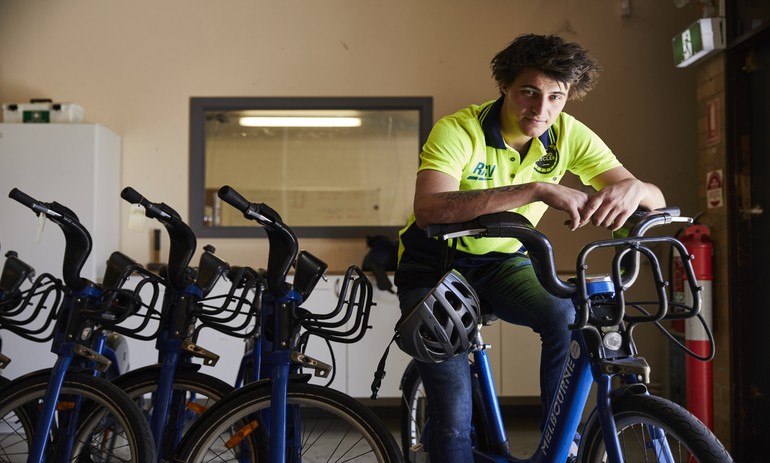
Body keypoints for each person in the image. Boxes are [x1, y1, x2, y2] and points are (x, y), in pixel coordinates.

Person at [394, 34, 665, 462]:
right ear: (504, 86)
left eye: (557, 97)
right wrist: (537, 189)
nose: (542, 110)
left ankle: (560, 442)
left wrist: (635, 189)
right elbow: (429, 208)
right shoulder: (458, 129)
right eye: (529, 92)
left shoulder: (567, 133)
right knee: (454, 420)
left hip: (504, 261)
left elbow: (653, 198)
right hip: (436, 267)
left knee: (566, 314)